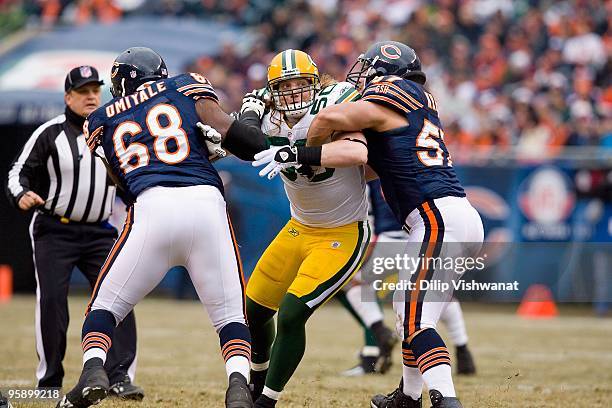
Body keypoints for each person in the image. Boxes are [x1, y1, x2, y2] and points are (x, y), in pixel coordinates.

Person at [253, 41, 484, 408]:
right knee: (409, 311)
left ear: (388, 73)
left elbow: (327, 119)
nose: (361, 77)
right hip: (452, 215)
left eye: (367, 69)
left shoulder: (398, 90)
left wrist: (307, 153)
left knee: (414, 319)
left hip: (437, 218)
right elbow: (375, 169)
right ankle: (408, 397)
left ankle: (446, 399)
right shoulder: (417, 104)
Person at [56, 47, 268, 408]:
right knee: (231, 316)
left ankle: (93, 370)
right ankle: (237, 385)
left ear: (122, 83)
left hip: (152, 207)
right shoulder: (185, 87)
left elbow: (121, 183)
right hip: (205, 205)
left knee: (104, 307)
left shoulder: (101, 118)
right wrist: (237, 126)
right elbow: (251, 144)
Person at [237, 49, 371, 407]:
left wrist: (295, 153)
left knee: (294, 313)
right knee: (255, 309)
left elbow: (358, 153)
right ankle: (256, 379)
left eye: (300, 83)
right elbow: (237, 143)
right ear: (272, 90)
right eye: (285, 85)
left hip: (342, 231)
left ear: (316, 83)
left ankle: (267, 401)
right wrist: (248, 116)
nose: (294, 91)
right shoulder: (268, 115)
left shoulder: (335, 102)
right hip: (299, 228)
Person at [6, 65, 143, 400]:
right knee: (52, 300)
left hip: (100, 232)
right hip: (56, 230)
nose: (91, 96)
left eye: (96, 89)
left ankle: (120, 376)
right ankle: (50, 380)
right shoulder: (49, 133)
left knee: (119, 298)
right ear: (68, 97)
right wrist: (21, 194)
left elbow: (130, 176)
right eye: (83, 91)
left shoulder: (114, 132)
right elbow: (17, 173)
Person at [341, 180, 476, 377]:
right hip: (425, 237)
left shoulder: (370, 174)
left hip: (389, 242)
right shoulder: (415, 168)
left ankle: (381, 334)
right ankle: (463, 350)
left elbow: (368, 219)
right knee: (439, 293)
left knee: (355, 287)